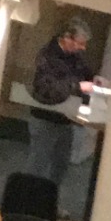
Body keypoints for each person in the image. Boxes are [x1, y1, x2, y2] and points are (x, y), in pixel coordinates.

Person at [26, 16, 96, 187]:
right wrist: (78, 86)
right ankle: (28, 197)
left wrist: (94, 81)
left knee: (60, 165)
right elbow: (48, 88)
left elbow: (85, 73)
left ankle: (50, 197)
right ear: (67, 38)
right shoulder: (47, 56)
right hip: (45, 117)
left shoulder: (75, 57)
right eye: (80, 43)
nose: (83, 47)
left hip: (65, 118)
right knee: (38, 165)